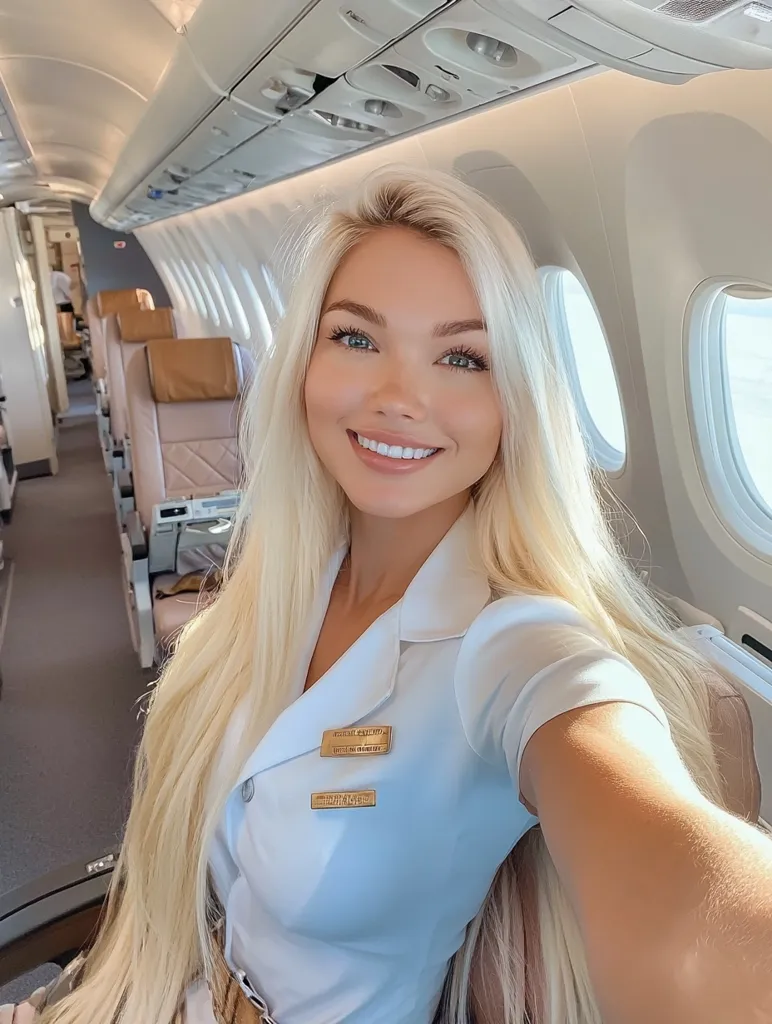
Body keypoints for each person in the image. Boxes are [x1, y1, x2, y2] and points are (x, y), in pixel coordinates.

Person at [4, 166, 772, 1024]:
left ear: (516, 399)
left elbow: (682, 892)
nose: (401, 399)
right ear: (302, 360)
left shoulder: (516, 649)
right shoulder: (285, 587)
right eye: (358, 339)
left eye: (461, 356)